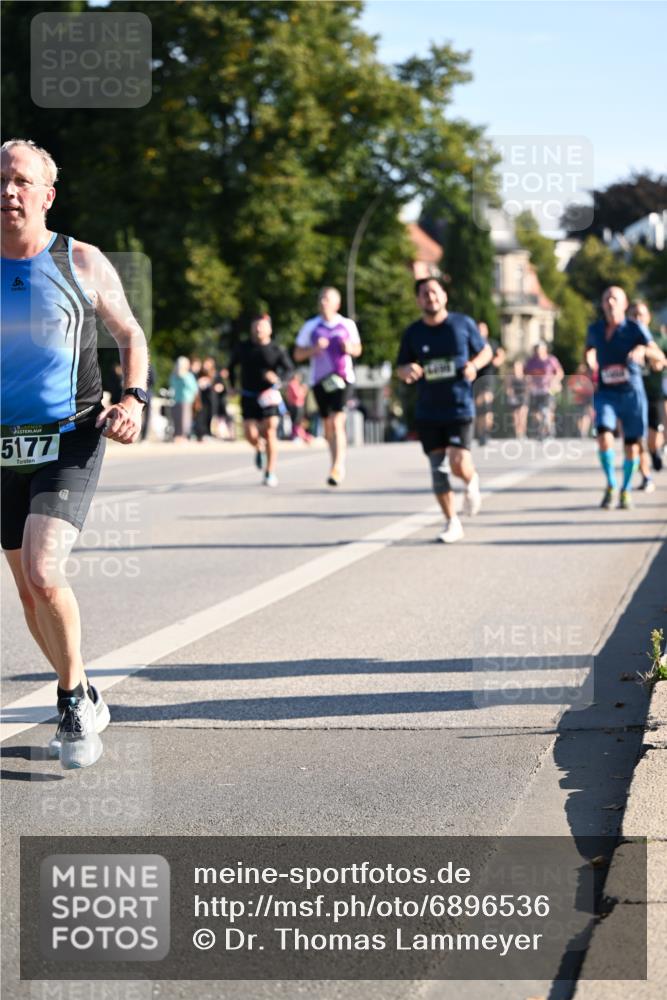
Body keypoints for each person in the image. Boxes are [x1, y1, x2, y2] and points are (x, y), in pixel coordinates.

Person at [1, 138, 148, 769]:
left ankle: (70, 701)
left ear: (47, 195)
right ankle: (83, 686)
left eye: (20, 181)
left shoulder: (80, 260)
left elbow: (129, 333)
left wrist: (133, 399)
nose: (8, 191)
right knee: (28, 594)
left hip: (71, 434)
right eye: (0, 180)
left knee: (42, 572)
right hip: (3, 445)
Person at [395, 276, 492, 543]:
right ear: (418, 300)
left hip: (459, 406)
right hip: (428, 410)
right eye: (424, 294)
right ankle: (452, 521)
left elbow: (486, 352)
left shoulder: (462, 324)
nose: (430, 297)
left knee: (458, 462)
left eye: (434, 292)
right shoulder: (413, 333)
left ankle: (471, 481)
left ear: (444, 296)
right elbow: (401, 367)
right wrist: (407, 370)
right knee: (438, 471)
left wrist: (474, 366)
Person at [585, 286, 665, 509]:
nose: (610, 302)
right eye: (606, 298)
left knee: (632, 446)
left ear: (624, 303)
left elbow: (660, 356)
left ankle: (626, 489)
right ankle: (611, 484)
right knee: (604, 437)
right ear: (602, 304)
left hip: (631, 394)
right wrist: (589, 360)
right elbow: (589, 349)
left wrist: (643, 351)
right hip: (606, 392)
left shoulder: (635, 328)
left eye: (614, 298)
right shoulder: (595, 329)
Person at [294, 286, 362, 485]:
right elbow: (297, 354)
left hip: (342, 378)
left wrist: (349, 348)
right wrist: (314, 349)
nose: (323, 302)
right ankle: (334, 464)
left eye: (327, 299)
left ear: (337, 304)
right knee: (328, 426)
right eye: (321, 298)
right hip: (319, 380)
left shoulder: (347, 324)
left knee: (337, 421)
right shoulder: (311, 326)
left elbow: (358, 349)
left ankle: (338, 466)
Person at [228, 314, 293, 487]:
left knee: (270, 431)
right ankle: (258, 446)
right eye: (255, 326)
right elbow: (231, 367)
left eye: (262, 326)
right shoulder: (243, 348)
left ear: (269, 329)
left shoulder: (277, 349)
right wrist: (232, 386)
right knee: (250, 434)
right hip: (248, 395)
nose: (258, 329)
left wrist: (278, 379)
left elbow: (289, 370)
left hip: (269, 395)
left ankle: (270, 472)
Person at [627, 300, 667, 492]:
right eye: (633, 315)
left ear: (648, 317)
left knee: (652, 437)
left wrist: (658, 360)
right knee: (636, 439)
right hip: (631, 396)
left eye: (641, 314)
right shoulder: (623, 338)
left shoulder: (658, 338)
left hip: (654, 395)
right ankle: (646, 477)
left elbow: (664, 358)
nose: (637, 318)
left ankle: (655, 451)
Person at [473, 321, 505, 445]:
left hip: (488, 377)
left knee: (486, 404)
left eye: (483, 329)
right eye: (478, 329)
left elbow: (501, 354)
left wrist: (496, 361)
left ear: (487, 331)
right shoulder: (472, 343)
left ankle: (486, 433)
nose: (481, 332)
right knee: (478, 408)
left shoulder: (492, 343)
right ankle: (479, 433)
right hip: (475, 377)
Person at [524, 341, 564, 439]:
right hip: (535, 390)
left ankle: (549, 430)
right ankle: (540, 429)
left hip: (548, 390)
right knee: (536, 412)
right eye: (537, 349)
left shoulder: (551, 360)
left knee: (548, 410)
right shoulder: (531, 361)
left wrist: (555, 381)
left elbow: (560, 373)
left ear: (545, 350)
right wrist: (528, 382)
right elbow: (526, 374)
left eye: (540, 349)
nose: (538, 352)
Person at [169, 356, 198, 442]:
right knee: (178, 419)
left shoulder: (187, 376)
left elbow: (194, 388)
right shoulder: (176, 376)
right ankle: (178, 435)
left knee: (184, 419)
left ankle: (183, 436)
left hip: (185, 400)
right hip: (178, 399)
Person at [566, 363, 595, 438]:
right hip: (578, 400)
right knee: (579, 416)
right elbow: (571, 387)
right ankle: (580, 432)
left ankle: (584, 432)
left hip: (587, 398)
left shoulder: (588, 377)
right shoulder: (574, 378)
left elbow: (590, 388)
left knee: (587, 415)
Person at [504, 358, 528, 439]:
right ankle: (517, 433)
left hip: (523, 397)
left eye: (518, 367)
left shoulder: (525, 375)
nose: (516, 368)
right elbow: (508, 387)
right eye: (515, 367)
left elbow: (528, 387)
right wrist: (511, 395)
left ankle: (523, 432)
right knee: (515, 416)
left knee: (522, 415)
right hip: (514, 397)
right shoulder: (510, 376)